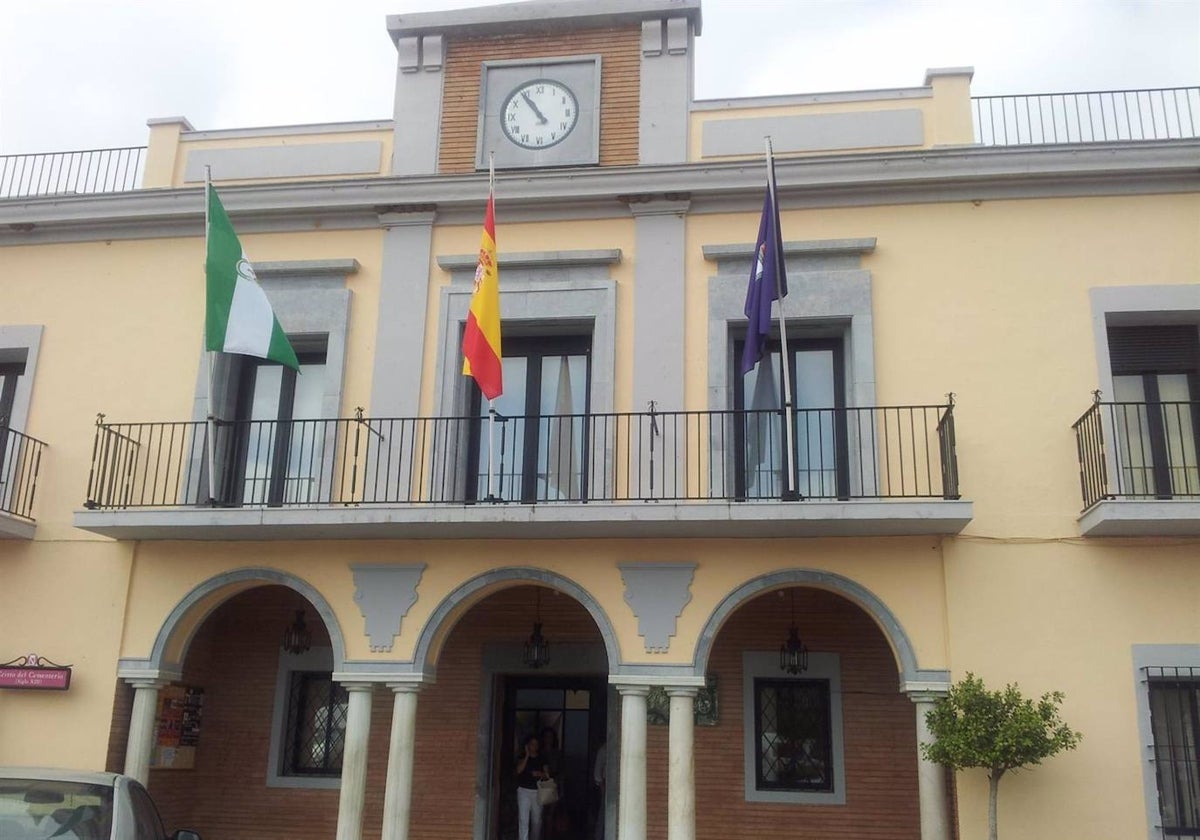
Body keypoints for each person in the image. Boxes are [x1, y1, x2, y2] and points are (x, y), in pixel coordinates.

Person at [516, 734, 549, 840]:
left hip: (537, 792)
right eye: (531, 744)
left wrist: (539, 774)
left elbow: (547, 775)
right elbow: (518, 770)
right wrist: (526, 756)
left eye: (536, 744)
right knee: (523, 820)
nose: (534, 746)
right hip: (523, 791)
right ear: (528, 745)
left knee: (537, 820)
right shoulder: (522, 757)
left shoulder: (542, 758)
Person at [539, 727, 563, 840]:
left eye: (550, 737)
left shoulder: (557, 753)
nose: (548, 739)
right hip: (540, 786)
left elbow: (561, 771)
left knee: (550, 815)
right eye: (546, 737)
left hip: (554, 785)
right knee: (539, 815)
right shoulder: (538, 752)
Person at [592, 740, 606, 840]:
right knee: (603, 813)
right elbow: (597, 771)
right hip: (606, 783)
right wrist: (601, 785)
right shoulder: (604, 750)